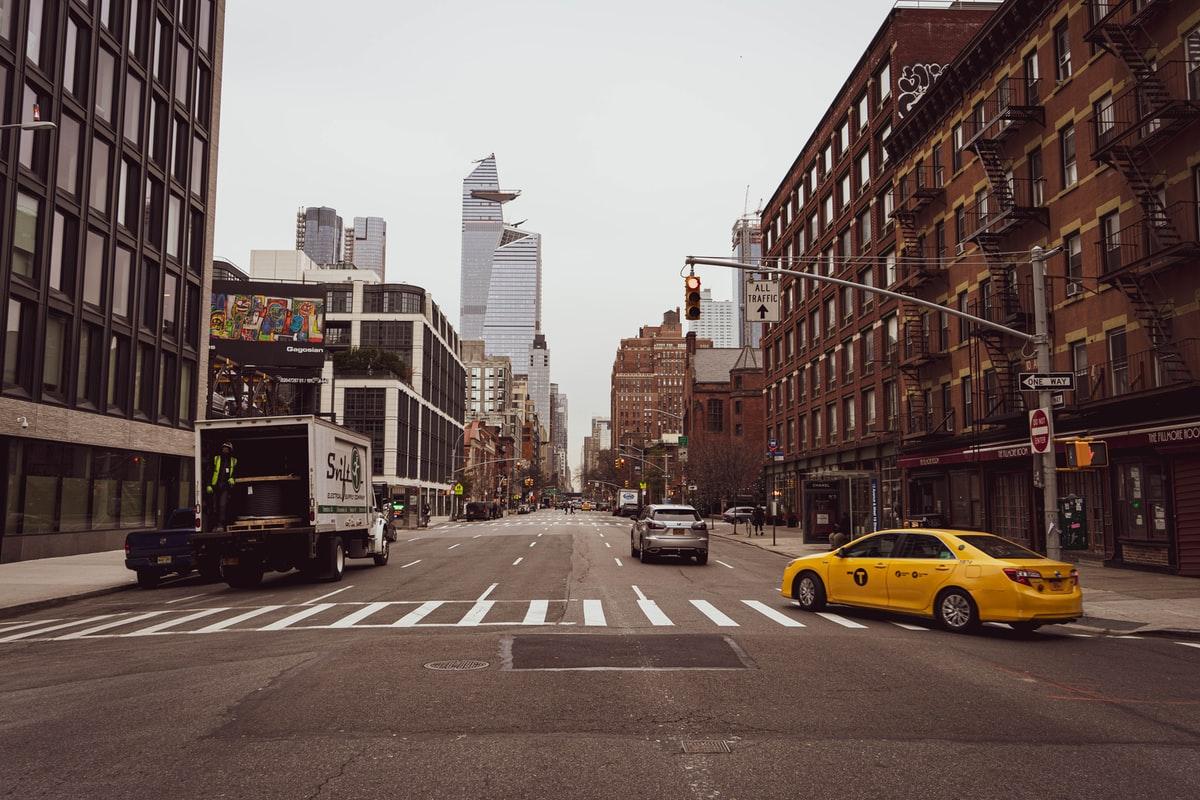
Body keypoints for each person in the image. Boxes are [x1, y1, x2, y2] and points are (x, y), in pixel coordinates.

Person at [206, 441, 237, 532]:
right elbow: (209, 472)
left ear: (230, 450)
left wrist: (233, 478)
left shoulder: (233, 461)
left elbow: (236, 472)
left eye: (227, 449)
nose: (225, 450)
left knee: (222, 506)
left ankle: (221, 525)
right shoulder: (216, 459)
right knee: (214, 507)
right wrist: (208, 485)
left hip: (225, 487)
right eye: (224, 448)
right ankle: (214, 525)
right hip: (215, 487)